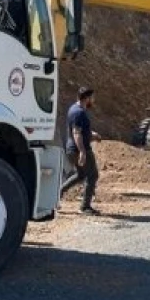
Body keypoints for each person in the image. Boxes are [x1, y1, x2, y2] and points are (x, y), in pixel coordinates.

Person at [61, 86, 102, 214]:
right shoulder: (79, 113)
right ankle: (85, 207)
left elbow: (81, 130)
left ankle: (58, 193)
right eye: (92, 98)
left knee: (80, 175)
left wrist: (92, 134)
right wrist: (83, 152)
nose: (93, 100)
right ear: (87, 98)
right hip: (79, 149)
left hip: (71, 149)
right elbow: (77, 132)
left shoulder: (74, 109)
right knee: (93, 175)